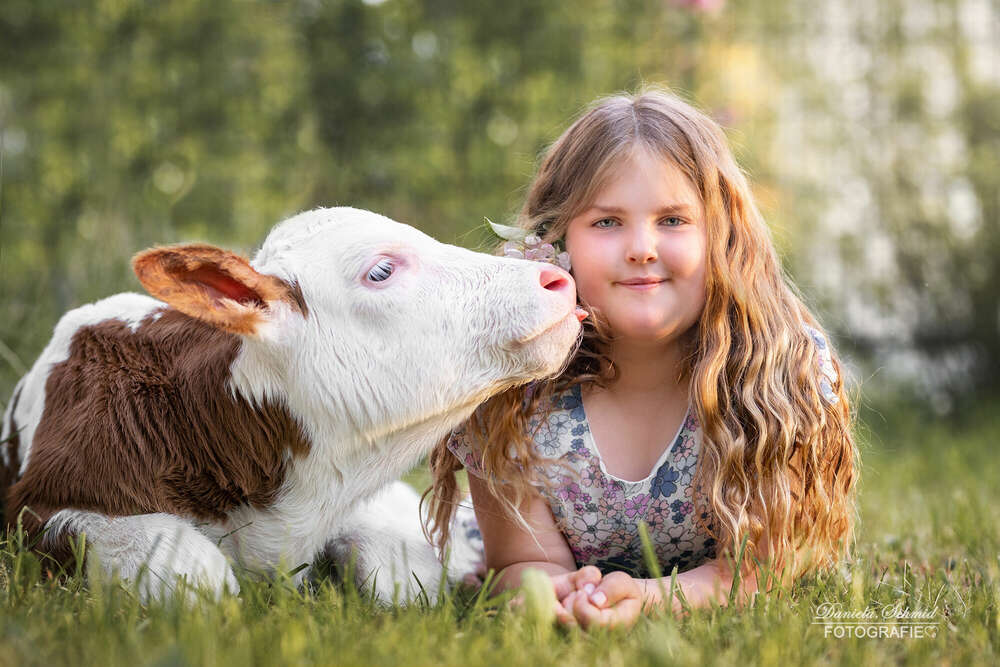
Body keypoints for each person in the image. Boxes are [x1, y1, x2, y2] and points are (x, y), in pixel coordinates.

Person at [425, 87, 858, 630]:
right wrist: (556, 593)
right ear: (557, 240)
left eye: (673, 220)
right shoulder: (514, 390)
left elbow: (755, 572)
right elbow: (522, 560)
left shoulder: (775, 374)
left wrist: (646, 599)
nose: (641, 248)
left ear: (722, 237)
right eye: (607, 222)